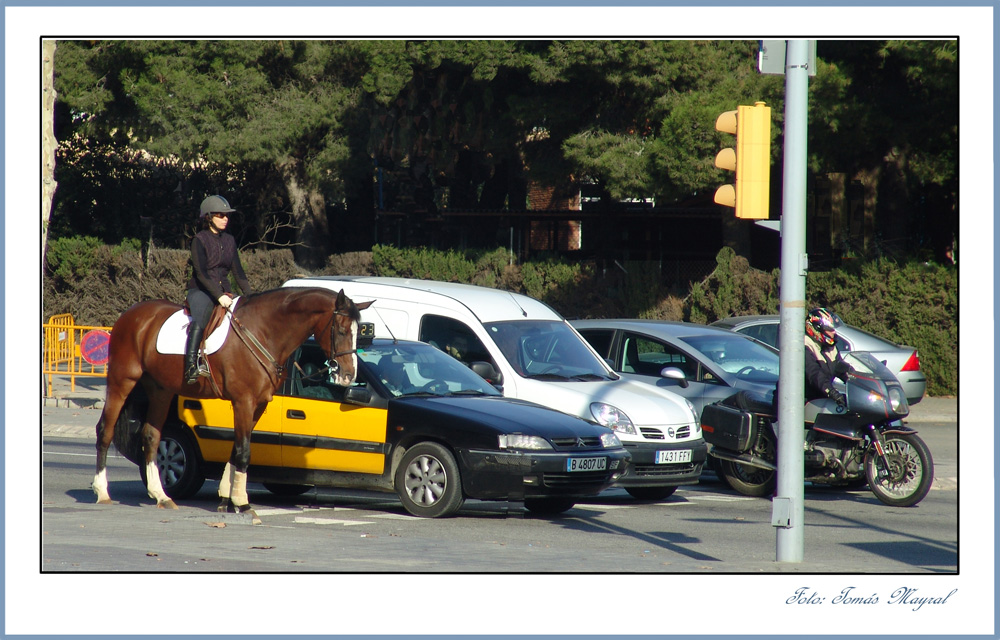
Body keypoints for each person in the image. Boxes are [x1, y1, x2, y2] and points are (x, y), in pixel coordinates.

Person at [183, 195, 254, 384]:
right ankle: (190, 365)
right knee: (201, 316)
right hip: (201, 291)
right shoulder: (199, 240)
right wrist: (218, 296)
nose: (225, 219)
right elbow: (201, 273)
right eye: (220, 215)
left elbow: (238, 272)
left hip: (226, 291)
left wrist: (251, 296)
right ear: (208, 217)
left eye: (226, 215)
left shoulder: (230, 240)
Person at [803, 307, 853, 407]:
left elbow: (841, 368)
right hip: (800, 402)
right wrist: (831, 392)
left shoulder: (830, 348)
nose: (834, 332)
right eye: (830, 329)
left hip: (819, 398)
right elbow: (814, 374)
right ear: (817, 328)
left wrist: (857, 378)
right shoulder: (803, 347)